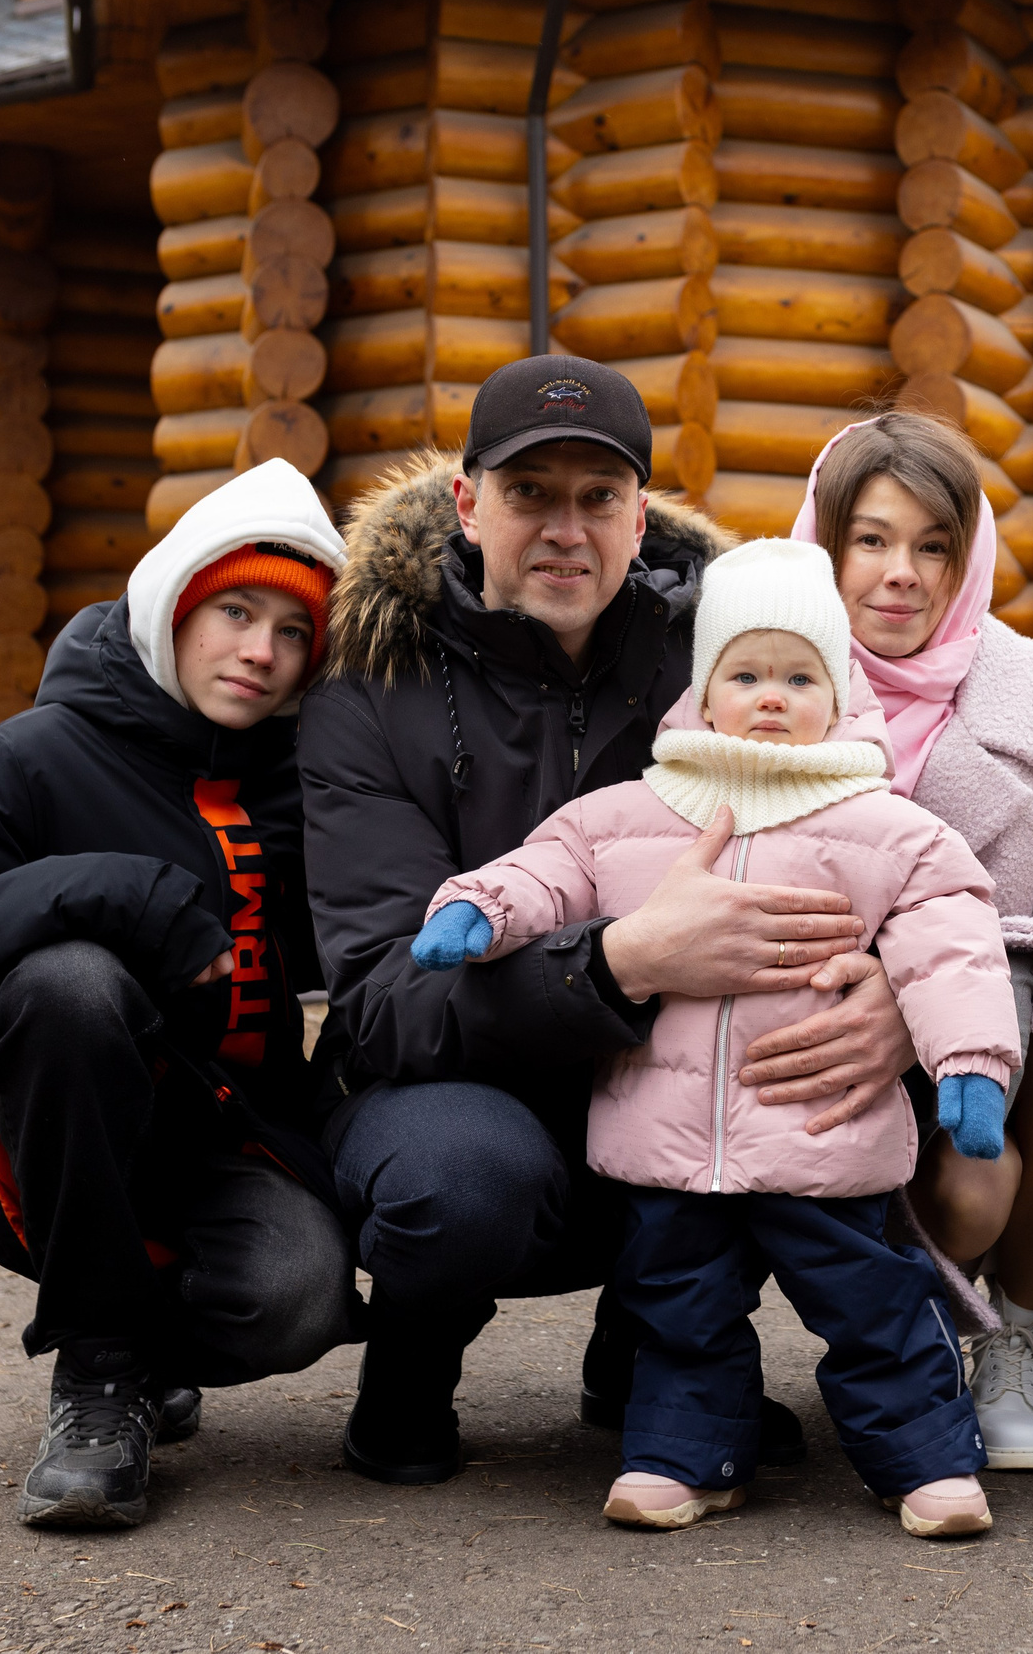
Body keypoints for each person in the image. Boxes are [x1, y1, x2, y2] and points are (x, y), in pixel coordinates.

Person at [302, 357, 924, 1486]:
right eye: (529, 493)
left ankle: (648, 1362)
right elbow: (385, 997)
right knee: (458, 1179)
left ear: (641, 514)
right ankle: (410, 1364)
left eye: (598, 497)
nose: (566, 529)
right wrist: (615, 961)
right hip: (446, 1092)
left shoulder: (725, 662)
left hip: (675, 1081)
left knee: (854, 1066)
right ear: (466, 503)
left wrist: (889, 989)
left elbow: (862, 834)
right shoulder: (371, 689)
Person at [410, 539, 1018, 1537]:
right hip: (670, 1145)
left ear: (840, 692)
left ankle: (923, 1464)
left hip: (823, 1136)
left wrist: (970, 1067)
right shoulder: (632, 812)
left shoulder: (886, 828)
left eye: (797, 676)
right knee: (676, 1309)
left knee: (873, 1306)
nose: (769, 697)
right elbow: (548, 868)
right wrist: (479, 909)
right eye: (744, 674)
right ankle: (687, 1458)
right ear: (704, 690)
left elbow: (951, 946)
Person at [0, 460, 359, 1529]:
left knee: (299, 1301)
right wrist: (108, 891)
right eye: (234, 613)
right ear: (171, 608)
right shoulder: (28, 762)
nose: (260, 652)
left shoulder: (311, 781)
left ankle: (147, 1336)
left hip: (222, 1135)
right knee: (69, 980)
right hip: (33, 1135)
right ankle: (99, 1377)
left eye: (293, 631)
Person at [787, 414, 1033, 1470]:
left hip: (986, 1061)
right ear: (823, 547)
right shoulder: (760, 691)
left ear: (969, 555)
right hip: (799, 1044)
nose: (900, 574)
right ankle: (685, 1353)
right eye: (869, 540)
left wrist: (949, 989)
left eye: (931, 545)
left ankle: (1017, 1344)